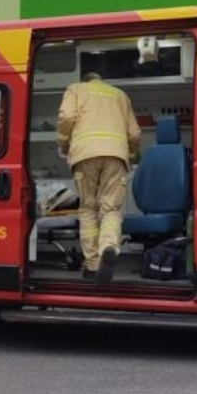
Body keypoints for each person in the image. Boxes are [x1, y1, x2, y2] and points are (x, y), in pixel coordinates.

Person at [57, 72, 141, 284]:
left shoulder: (76, 89)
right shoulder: (120, 95)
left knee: (88, 208)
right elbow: (135, 134)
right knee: (110, 208)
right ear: (101, 80)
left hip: (84, 155)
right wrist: (129, 152)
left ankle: (93, 263)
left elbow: (66, 117)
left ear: (86, 80)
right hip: (116, 156)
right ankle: (109, 247)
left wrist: (64, 144)